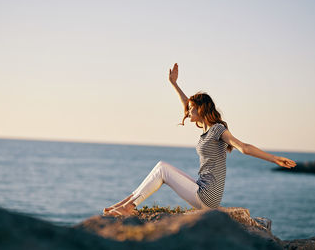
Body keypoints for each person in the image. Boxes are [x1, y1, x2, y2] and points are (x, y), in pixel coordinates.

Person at [102, 63, 297, 217]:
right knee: (160, 167)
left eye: (193, 108)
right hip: (202, 187)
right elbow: (186, 103)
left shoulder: (218, 129)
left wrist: (274, 159)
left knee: (162, 169)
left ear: (201, 109)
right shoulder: (206, 130)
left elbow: (243, 147)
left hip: (207, 196)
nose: (188, 111)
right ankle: (122, 205)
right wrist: (174, 83)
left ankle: (130, 206)